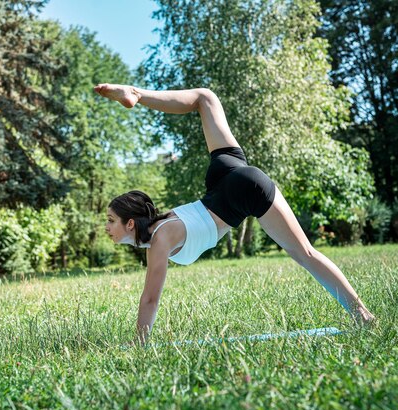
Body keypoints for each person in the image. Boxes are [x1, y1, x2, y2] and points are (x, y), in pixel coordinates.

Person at [94, 83, 376, 345]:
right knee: (205, 98)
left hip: (241, 191)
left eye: (111, 221)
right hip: (224, 175)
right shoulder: (161, 228)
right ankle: (137, 93)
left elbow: (150, 299)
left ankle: (362, 314)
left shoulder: (160, 240)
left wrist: (139, 343)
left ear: (130, 223)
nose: (106, 227)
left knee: (305, 253)